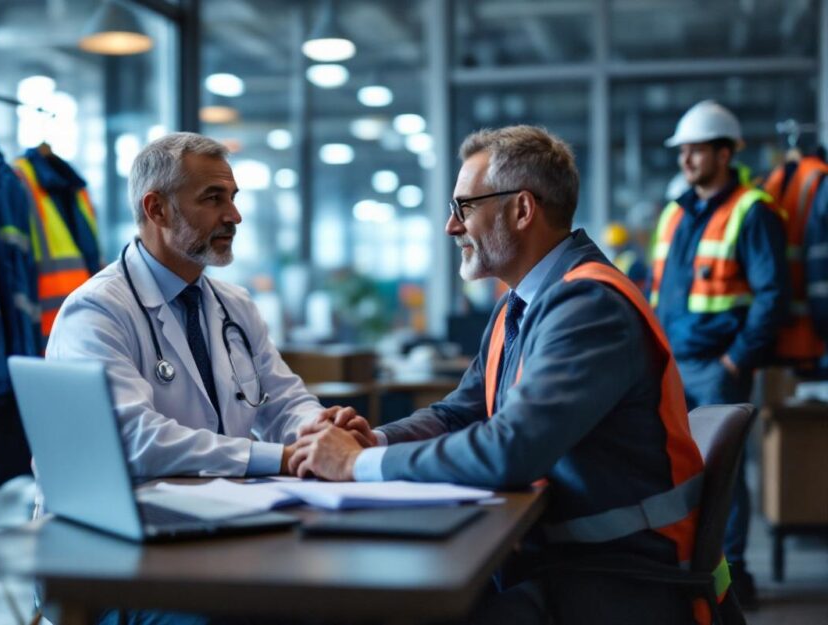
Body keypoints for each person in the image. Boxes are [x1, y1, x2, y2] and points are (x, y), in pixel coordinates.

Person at [290, 126, 715, 624]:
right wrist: (375, 440)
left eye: (464, 207)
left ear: (522, 209)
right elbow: (459, 413)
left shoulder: (589, 304)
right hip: (561, 557)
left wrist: (356, 465)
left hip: (615, 579)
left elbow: (511, 450)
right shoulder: (521, 303)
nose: (451, 226)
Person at [46, 132, 325, 480]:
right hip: (131, 511)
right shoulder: (95, 311)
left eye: (233, 198)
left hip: (227, 504)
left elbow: (285, 402)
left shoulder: (235, 305)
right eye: (213, 198)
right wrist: (279, 458)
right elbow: (133, 438)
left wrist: (321, 431)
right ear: (157, 209)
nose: (234, 216)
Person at [649, 101, 790, 607]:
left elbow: (773, 294)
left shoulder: (752, 211)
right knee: (676, 470)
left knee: (722, 474)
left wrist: (737, 359)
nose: (685, 159)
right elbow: (661, 289)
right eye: (682, 151)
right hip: (671, 363)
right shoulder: (676, 211)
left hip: (717, 367)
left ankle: (732, 578)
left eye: (696, 150)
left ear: (725, 153)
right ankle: (691, 573)